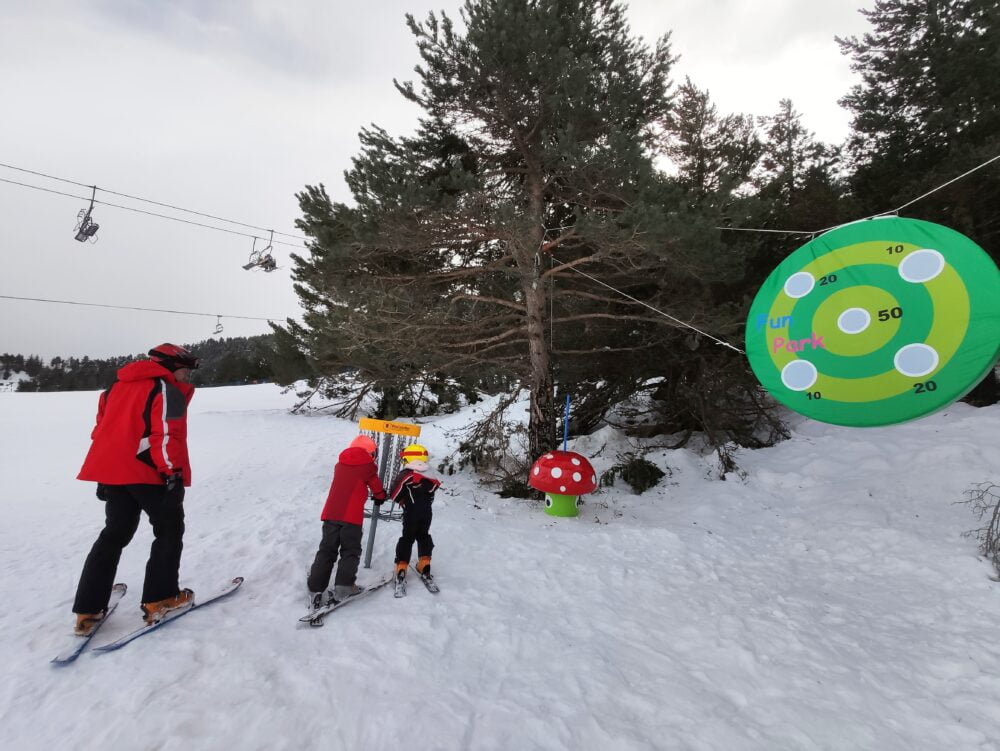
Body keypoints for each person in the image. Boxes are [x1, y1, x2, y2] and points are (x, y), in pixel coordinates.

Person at [72, 343, 199, 634]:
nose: (187, 379)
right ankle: (161, 598)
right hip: (148, 472)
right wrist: (174, 476)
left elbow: (101, 431)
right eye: (184, 372)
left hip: (114, 472)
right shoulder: (165, 390)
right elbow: (166, 436)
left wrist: (104, 476)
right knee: (169, 530)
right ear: (170, 367)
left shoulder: (115, 388)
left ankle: (87, 609)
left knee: (114, 534)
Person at [307, 435, 387, 606]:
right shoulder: (368, 466)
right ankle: (344, 587)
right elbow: (375, 486)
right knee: (350, 551)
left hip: (331, 514)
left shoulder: (340, 464)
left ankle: (315, 587)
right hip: (351, 518)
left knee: (327, 549)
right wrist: (380, 496)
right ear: (371, 453)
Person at [389, 444, 441, 583]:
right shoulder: (430, 473)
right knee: (423, 536)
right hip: (426, 513)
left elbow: (394, 494)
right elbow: (431, 492)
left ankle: (401, 567)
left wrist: (403, 499)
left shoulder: (407, 474)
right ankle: (424, 564)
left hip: (411, 513)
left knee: (407, 538)